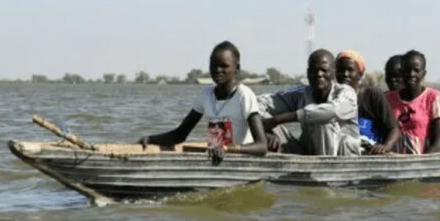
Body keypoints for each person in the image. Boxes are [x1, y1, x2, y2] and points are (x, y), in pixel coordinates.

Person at [138, 41, 267, 163]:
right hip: (217, 159)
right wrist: (150, 139)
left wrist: (226, 148)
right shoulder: (206, 95)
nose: (217, 70)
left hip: (240, 160)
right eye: (214, 65)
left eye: (224, 66)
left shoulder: (243, 96)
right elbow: (180, 134)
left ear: (236, 68)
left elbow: (261, 146)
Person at [258, 49, 360, 156]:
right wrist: (267, 131)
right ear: (308, 73)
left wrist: (279, 119)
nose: (319, 74)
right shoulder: (301, 93)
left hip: (342, 157)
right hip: (309, 152)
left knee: (322, 120)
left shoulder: (347, 92)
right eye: (314, 71)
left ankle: (324, 168)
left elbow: (332, 111)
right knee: (256, 116)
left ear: (333, 73)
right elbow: (258, 102)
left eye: (324, 70)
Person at [335, 50, 400, 155]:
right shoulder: (332, 97)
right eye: (340, 70)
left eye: (350, 70)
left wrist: (386, 146)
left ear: (360, 74)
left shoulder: (372, 95)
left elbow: (394, 128)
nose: (345, 74)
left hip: (372, 156)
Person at [386, 50, 440, 154]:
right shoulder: (389, 99)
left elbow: (439, 143)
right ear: (401, 72)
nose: (411, 74)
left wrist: (421, 165)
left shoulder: (435, 98)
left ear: (424, 73)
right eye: (407, 70)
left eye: (416, 70)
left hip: (425, 165)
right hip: (394, 165)